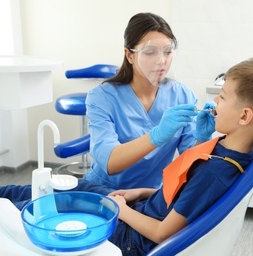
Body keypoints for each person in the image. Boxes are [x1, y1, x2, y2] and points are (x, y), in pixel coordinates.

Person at [0, 56, 253, 255]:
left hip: (134, 238)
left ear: (245, 116)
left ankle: (2, 203)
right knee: (75, 187)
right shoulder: (230, 151)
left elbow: (163, 232)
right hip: (143, 205)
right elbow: (185, 196)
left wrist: (120, 209)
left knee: (44, 205)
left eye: (223, 95)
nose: (215, 99)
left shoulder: (216, 171)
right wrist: (142, 192)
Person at [82, 12, 215, 190]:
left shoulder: (182, 96)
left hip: (149, 194)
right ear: (129, 55)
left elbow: (191, 165)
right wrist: (156, 135)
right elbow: (109, 162)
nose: (161, 61)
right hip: (103, 190)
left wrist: (202, 138)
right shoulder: (102, 98)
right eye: (150, 52)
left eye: (167, 52)